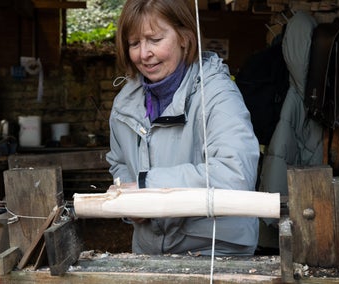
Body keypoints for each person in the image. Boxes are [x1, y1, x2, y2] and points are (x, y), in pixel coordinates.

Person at [106, 0, 260, 256]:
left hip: (214, 251)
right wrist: (129, 200)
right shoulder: (125, 103)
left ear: (185, 38)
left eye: (154, 39)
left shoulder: (217, 95)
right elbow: (119, 162)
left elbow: (235, 175)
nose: (143, 54)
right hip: (150, 251)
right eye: (134, 43)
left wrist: (148, 186)